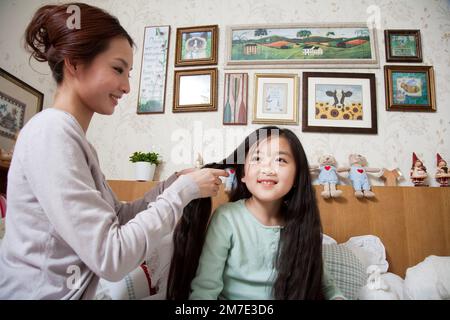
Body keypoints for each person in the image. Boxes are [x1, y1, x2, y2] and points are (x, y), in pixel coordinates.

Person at [0, 3, 227, 299]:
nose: (127, 86)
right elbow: (112, 257)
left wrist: (170, 184)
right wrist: (182, 191)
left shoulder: (74, 140)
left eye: (129, 73)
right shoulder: (51, 132)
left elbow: (118, 216)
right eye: (118, 69)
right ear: (75, 63)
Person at [167, 126, 345, 300]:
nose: (267, 169)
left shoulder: (303, 224)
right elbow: (205, 288)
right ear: (243, 173)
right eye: (257, 158)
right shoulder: (227, 217)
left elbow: (326, 285)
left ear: (297, 176)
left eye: (280, 160)